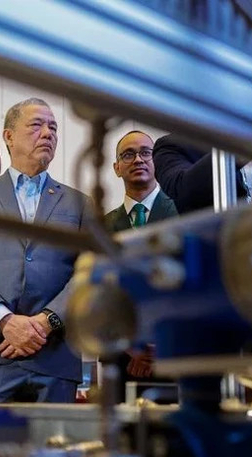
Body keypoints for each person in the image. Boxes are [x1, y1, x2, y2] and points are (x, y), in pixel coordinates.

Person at [0, 98, 92, 403]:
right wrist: (5, 320)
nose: (48, 133)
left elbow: (91, 272)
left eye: (53, 127)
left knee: (56, 449)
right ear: (8, 136)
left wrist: (46, 322)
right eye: (36, 125)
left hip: (56, 359)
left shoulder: (79, 204)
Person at [103, 131, 178, 386]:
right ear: (116, 168)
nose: (138, 160)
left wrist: (162, 343)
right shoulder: (102, 227)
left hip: (176, 355)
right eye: (128, 154)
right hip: (122, 360)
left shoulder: (183, 214)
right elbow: (99, 291)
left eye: (146, 153)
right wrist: (131, 347)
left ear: (156, 161)